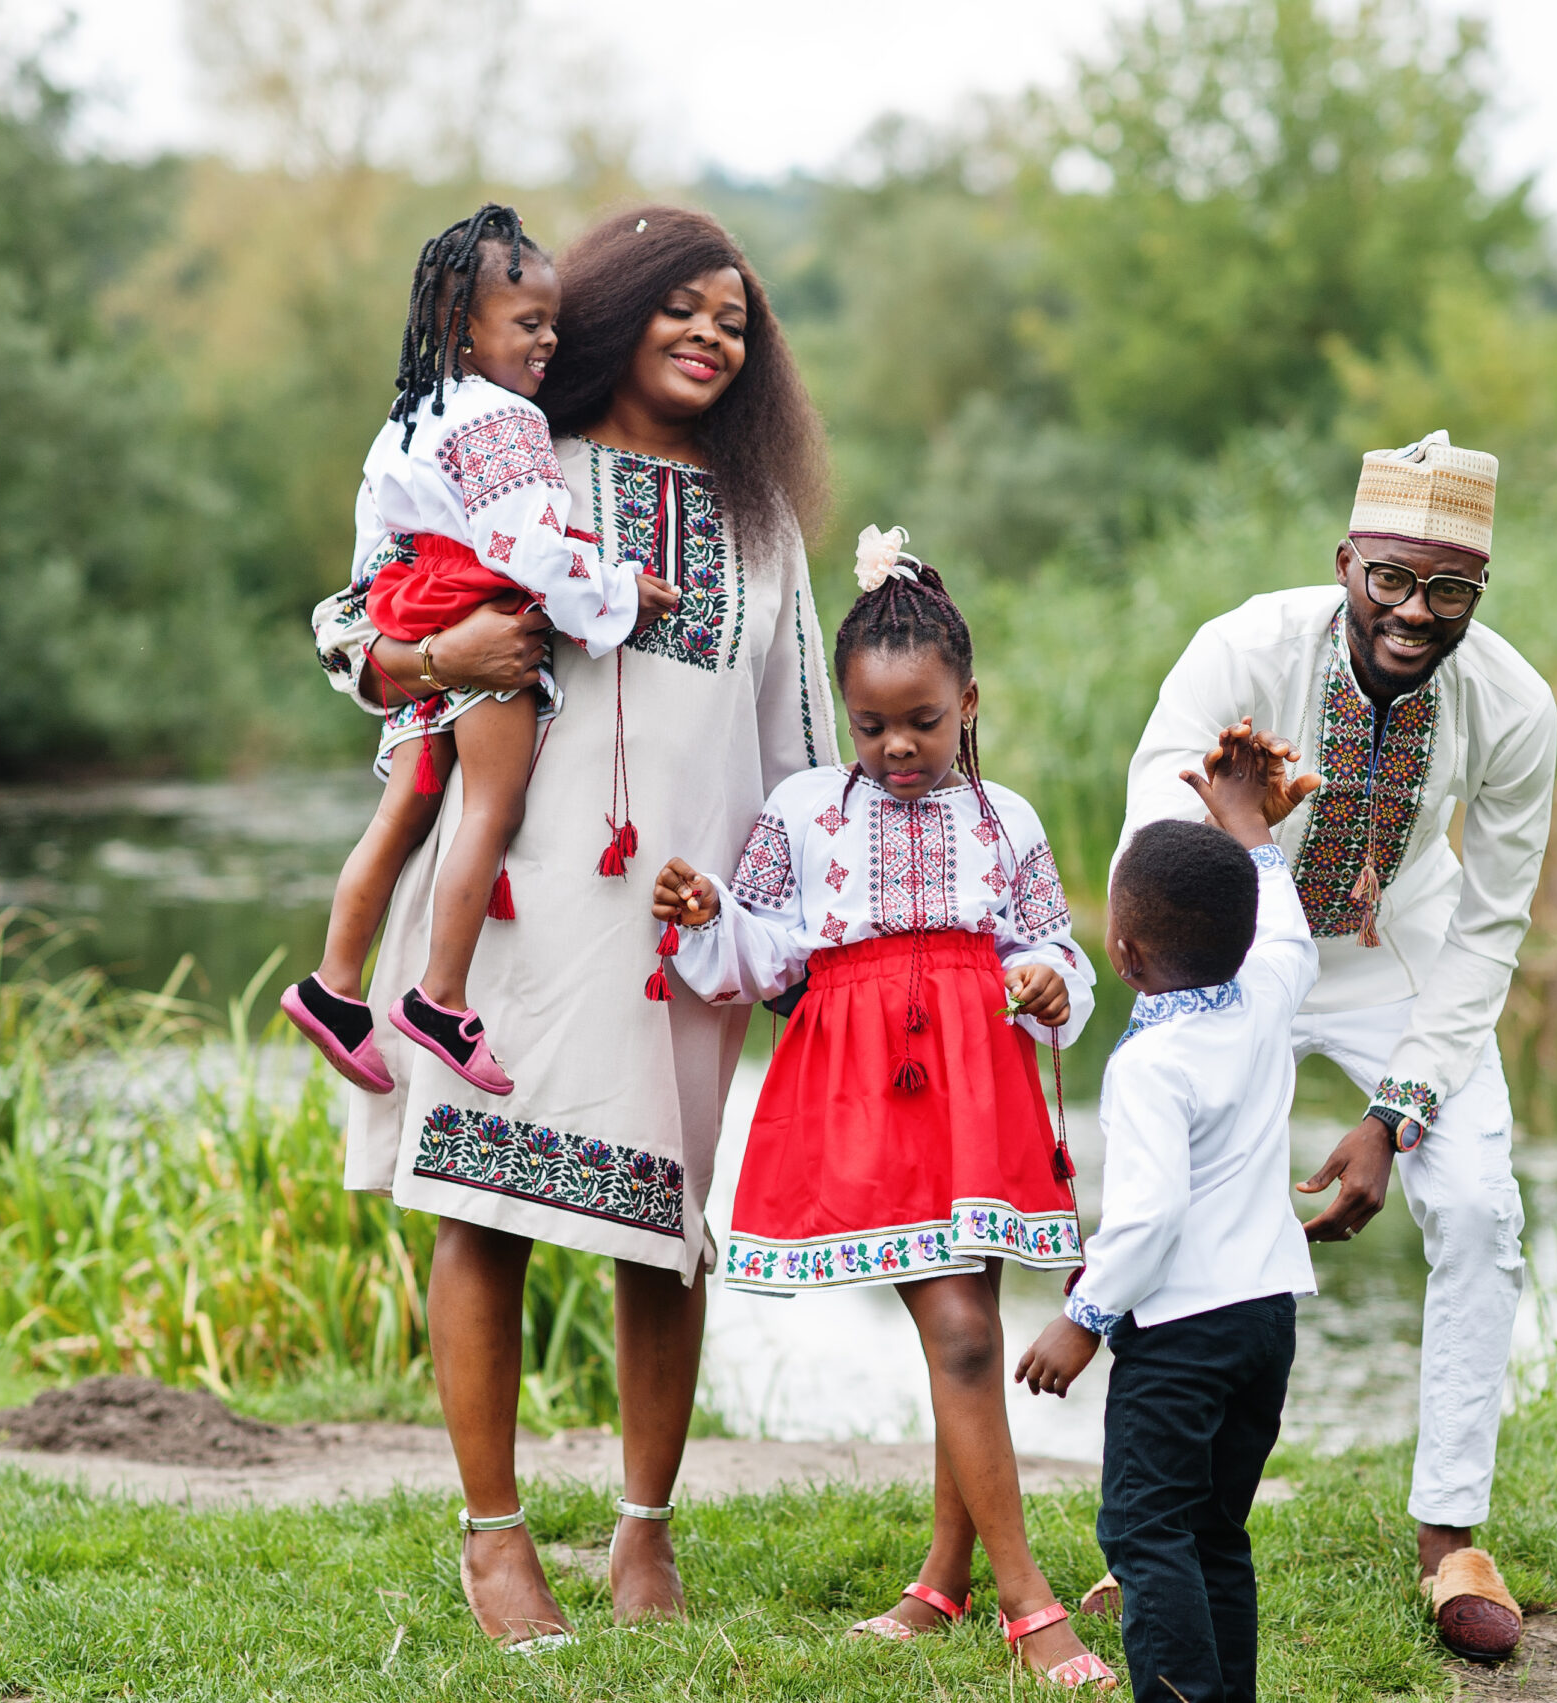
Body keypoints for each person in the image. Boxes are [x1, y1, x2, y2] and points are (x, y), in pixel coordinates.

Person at [309, 206, 837, 1652]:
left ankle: (646, 1524)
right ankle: (494, 1539)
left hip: (682, 922)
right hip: (515, 900)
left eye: (738, 317)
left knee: (664, 1230)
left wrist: (797, 926)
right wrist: (437, 653)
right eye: (684, 305)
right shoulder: (513, 458)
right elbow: (353, 624)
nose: (713, 334)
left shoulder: (763, 520)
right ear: (611, 311)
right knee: (485, 1206)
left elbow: (798, 747)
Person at [1094, 430, 1555, 1662]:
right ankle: (1160, 1527)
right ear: (1347, 559)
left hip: (1392, 944)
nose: (1415, 612)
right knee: (1171, 1186)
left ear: (1477, 594)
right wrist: (1239, 869)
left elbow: (1490, 923)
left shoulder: (1512, 705)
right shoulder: (1242, 647)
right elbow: (1152, 824)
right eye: (1392, 579)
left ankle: (1450, 1535)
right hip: (1232, 930)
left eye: (1448, 589)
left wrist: (1395, 1114)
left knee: (1477, 1206)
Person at [652, 531, 1114, 1691]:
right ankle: (1029, 1606)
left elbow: (1049, 948)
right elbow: (760, 955)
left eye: (924, 721)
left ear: (969, 701)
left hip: (981, 1085)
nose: (898, 746)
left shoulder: (1006, 817)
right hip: (862, 1089)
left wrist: (1054, 979)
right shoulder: (802, 811)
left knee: (966, 1328)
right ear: (845, 715)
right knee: (958, 1329)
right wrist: (708, 911)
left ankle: (943, 1581)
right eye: (872, 726)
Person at [280, 204, 674, 1098]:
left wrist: (413, 637)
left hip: (416, 621)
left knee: (402, 816)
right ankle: (441, 997)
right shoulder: (506, 423)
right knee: (489, 812)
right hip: (478, 621)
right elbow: (530, 551)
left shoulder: (408, 419)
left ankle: (336, 985)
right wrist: (617, 587)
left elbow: (373, 552)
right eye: (529, 325)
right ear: (464, 330)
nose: (549, 344)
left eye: (554, 325)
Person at [1015, 724, 1319, 1703]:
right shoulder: (1267, 991)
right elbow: (1286, 930)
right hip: (1266, 1314)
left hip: (1181, 1332)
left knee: (1146, 1531)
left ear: (1122, 947)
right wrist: (1248, 827)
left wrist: (1082, 1317)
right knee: (1214, 1529)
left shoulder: (1151, 1064)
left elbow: (1146, 1221)